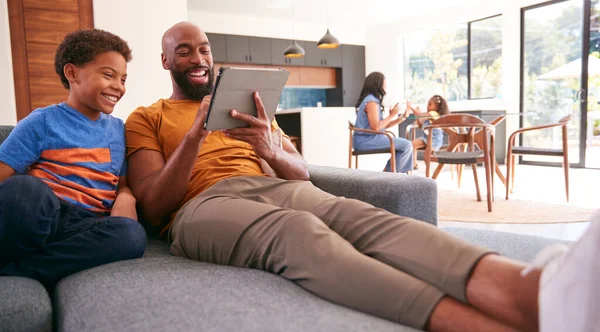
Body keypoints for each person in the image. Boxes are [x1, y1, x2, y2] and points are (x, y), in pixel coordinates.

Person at [125, 21, 599, 332]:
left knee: (362, 218)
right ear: (166, 61)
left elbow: (302, 172)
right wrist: (193, 136)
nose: (197, 56)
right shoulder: (146, 117)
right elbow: (153, 205)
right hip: (205, 205)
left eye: (203, 47)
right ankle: (469, 324)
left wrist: (271, 146)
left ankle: (528, 292)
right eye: (183, 50)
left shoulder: (249, 106)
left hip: (279, 186)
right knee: (298, 232)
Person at [0, 29, 147, 289]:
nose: (119, 86)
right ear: (72, 73)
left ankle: (21, 270)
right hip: (46, 214)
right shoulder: (43, 121)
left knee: (132, 235)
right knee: (26, 189)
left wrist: (126, 197)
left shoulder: (118, 130)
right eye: (108, 75)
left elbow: (121, 182)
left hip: (86, 226)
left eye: (123, 79)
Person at [352, 72, 413, 173]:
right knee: (406, 145)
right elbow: (376, 127)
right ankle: (388, 177)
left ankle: (387, 175)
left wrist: (402, 118)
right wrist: (391, 115)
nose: (385, 86)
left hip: (370, 138)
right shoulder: (371, 102)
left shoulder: (372, 100)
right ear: (378, 84)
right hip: (366, 141)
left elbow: (382, 126)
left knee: (404, 145)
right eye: (384, 83)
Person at [408, 95, 450, 169]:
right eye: (427, 104)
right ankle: (414, 164)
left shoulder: (434, 114)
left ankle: (430, 172)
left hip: (434, 139)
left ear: (437, 107)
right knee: (412, 145)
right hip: (426, 138)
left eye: (430, 105)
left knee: (427, 157)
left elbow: (421, 115)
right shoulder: (429, 115)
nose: (427, 106)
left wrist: (411, 107)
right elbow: (421, 125)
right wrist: (417, 116)